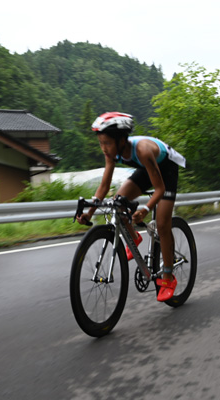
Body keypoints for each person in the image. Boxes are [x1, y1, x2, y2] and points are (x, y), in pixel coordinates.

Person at [76, 112, 186, 302]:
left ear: (121, 140)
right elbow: (104, 186)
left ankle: (168, 276)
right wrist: (89, 213)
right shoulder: (112, 153)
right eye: (100, 143)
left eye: (107, 143)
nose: (103, 148)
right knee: (118, 201)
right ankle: (134, 237)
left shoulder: (142, 150)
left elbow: (160, 189)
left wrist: (145, 209)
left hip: (166, 169)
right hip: (147, 168)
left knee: (162, 224)